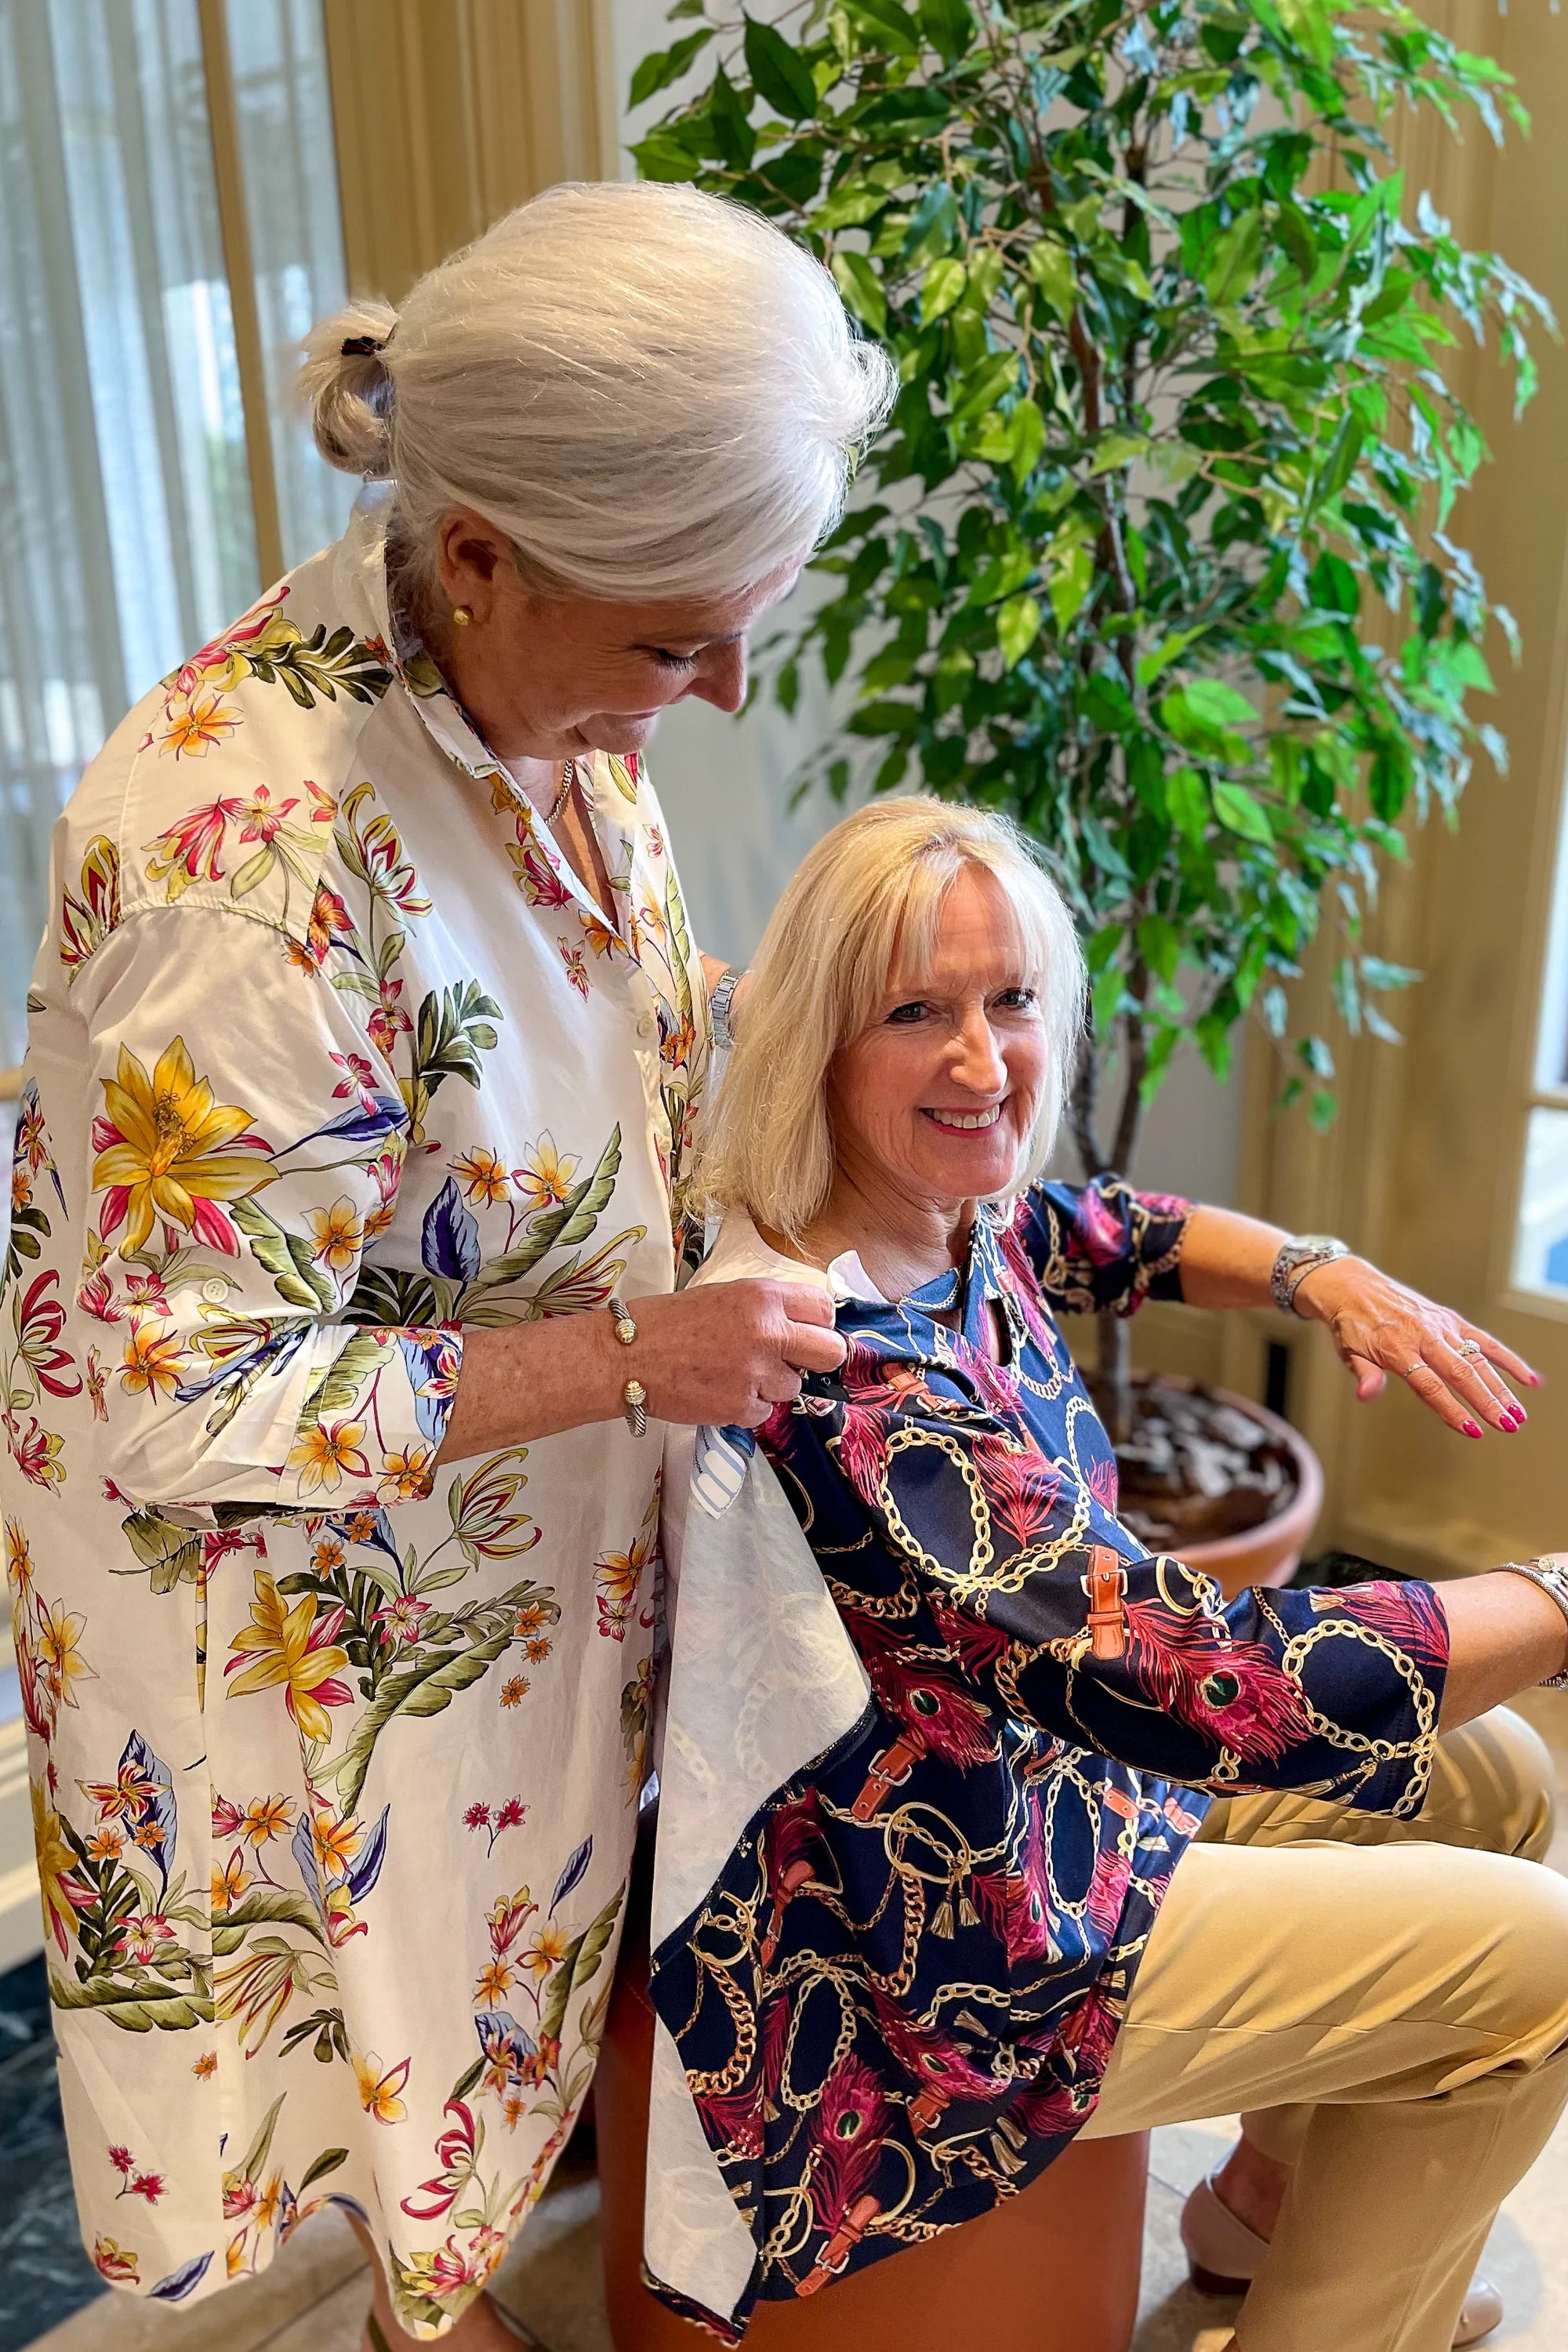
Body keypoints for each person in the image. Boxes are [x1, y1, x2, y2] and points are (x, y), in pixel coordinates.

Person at [1, 181, 891, 2347]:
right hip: (300, 1616)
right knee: (369, 2043)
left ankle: (444, 2285)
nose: (725, 688)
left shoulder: (532, 693)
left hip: (497, 1556)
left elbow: (565, 1027)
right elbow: (185, 1398)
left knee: (482, 2029)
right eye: (678, 643)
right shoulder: (239, 867)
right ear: (478, 553)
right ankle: (426, 2310)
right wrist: (640, 1352)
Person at [621, 797, 1568, 2352]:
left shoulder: (932, 1216)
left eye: (1010, 1001)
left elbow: (1100, 1228)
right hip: (955, 1948)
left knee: (1499, 1778)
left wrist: (1317, 1272)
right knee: (1543, 1967)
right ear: (815, 1044)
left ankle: (1259, 2216)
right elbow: (1224, 1684)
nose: (982, 1061)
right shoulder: (840, 1375)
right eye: (914, 1013)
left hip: (1067, 1795)